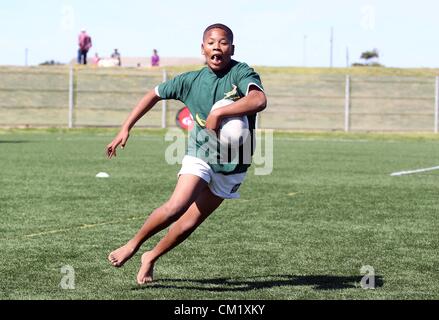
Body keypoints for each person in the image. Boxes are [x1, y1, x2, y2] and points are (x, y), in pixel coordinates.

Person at [107, 23, 267, 285]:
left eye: (224, 42)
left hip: (234, 164)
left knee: (190, 223)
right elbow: (154, 94)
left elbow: (259, 100)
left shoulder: (241, 72)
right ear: (203, 48)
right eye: (212, 42)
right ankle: (133, 244)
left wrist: (218, 113)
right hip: (201, 153)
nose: (217, 46)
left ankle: (151, 256)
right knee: (177, 207)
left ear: (232, 48)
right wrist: (126, 127)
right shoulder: (189, 81)